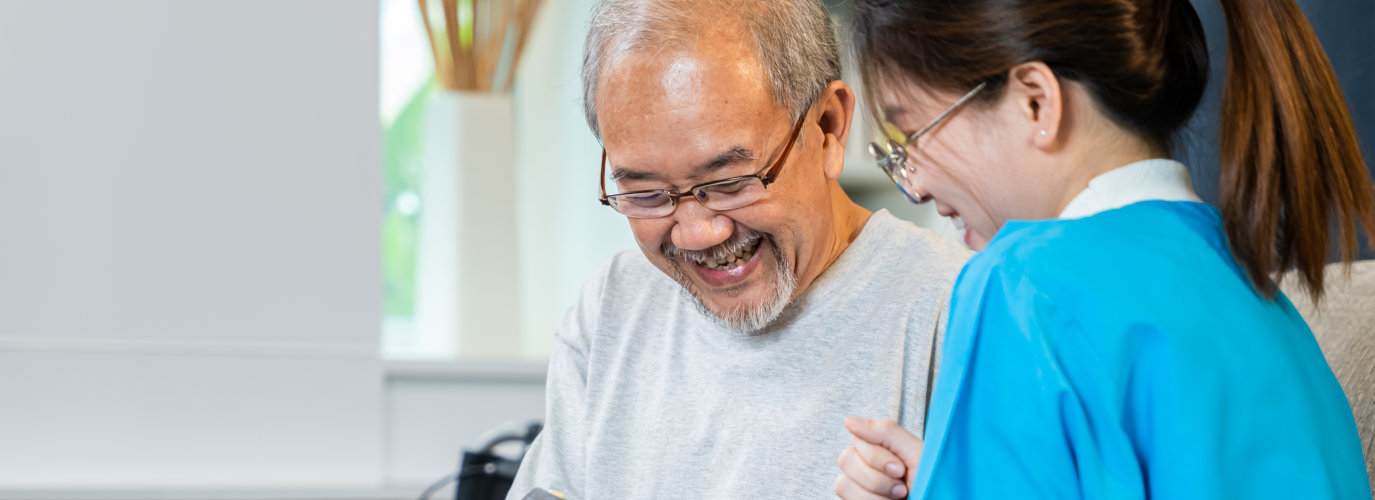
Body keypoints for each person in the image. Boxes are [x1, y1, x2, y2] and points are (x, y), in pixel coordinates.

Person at [833, 0, 1375, 498]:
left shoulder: (1021, 283)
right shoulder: (1261, 299)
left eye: (913, 135)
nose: (918, 185)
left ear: (1035, 101)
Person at [505, 0, 971, 498]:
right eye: (646, 193)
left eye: (729, 181)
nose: (696, 234)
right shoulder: (612, 309)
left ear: (828, 127)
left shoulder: (960, 308)